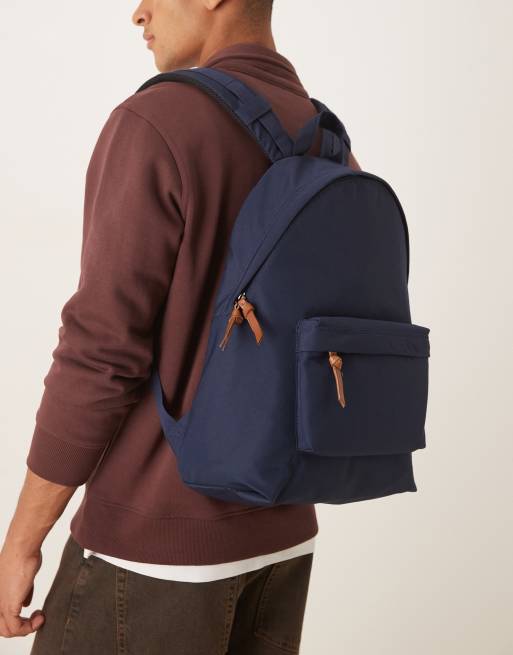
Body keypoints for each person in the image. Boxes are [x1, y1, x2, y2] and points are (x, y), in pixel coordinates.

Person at [0, 0, 360, 652]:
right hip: (283, 539)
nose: (138, 13)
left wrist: (23, 539)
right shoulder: (326, 140)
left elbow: (100, 352)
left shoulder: (156, 120)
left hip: (153, 550)